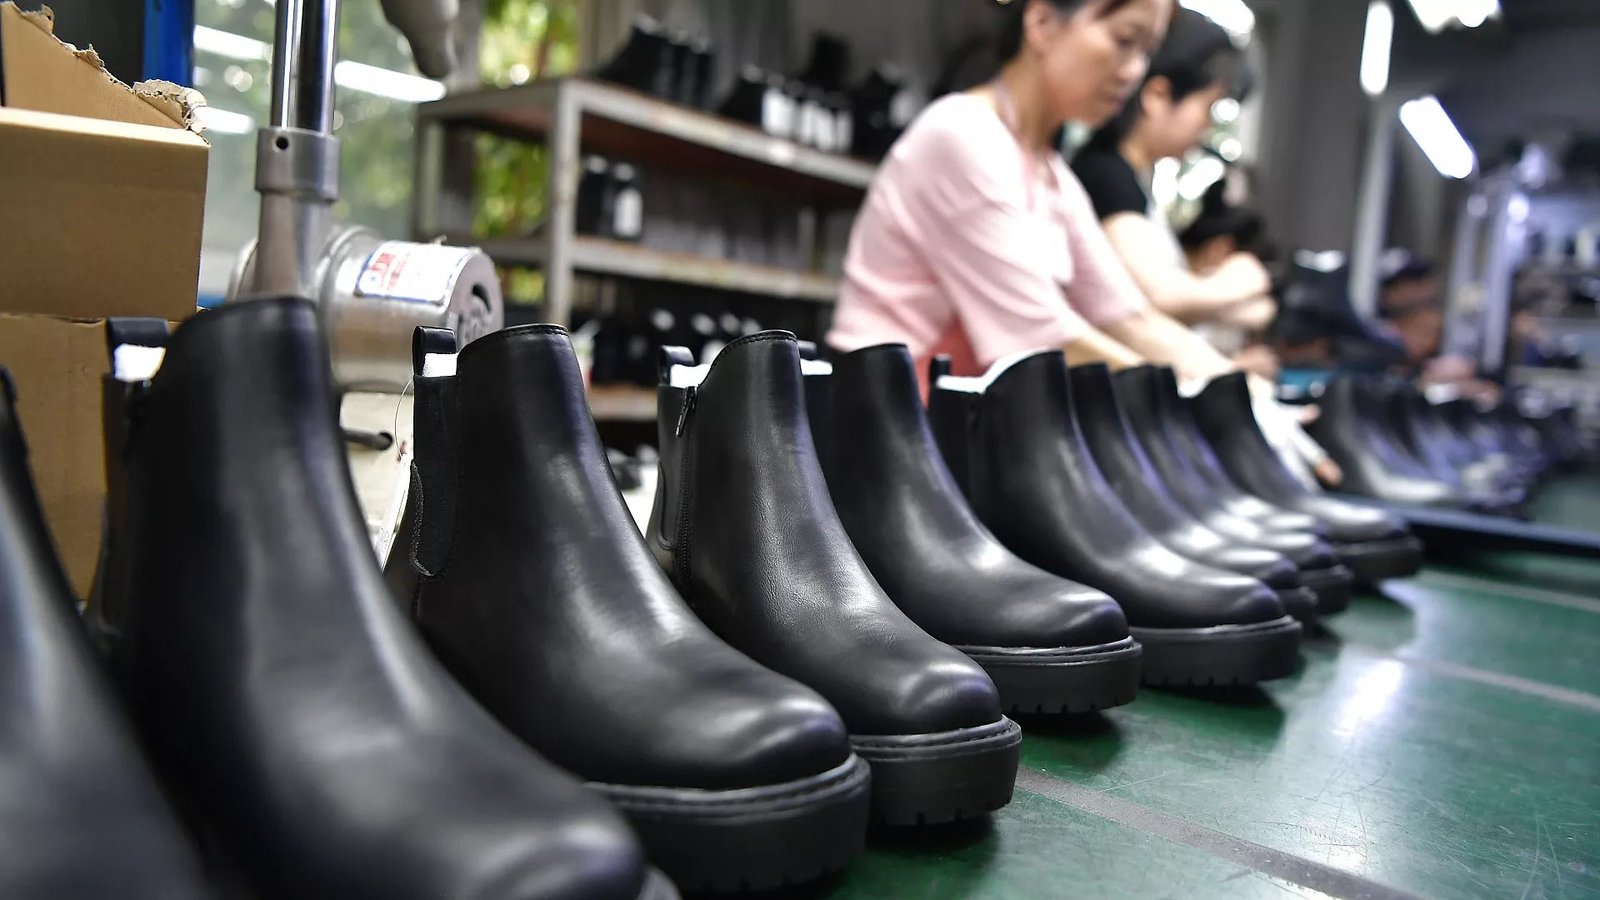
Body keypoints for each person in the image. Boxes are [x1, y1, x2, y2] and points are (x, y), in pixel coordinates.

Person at [826, 0, 1338, 483]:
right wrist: (1213, 396)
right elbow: (1041, 338)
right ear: (1044, 22)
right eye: (1124, 40)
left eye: (1146, 52)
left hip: (956, 439)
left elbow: (1130, 317)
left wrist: (1239, 387)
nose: (1134, 70)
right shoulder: (962, 136)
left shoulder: (1052, 175)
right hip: (886, 445)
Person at [1070, 8, 1277, 374]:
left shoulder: (1133, 183)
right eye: (1206, 108)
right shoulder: (1105, 175)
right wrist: (1239, 282)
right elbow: (1156, 297)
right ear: (1157, 95)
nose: (1206, 127)